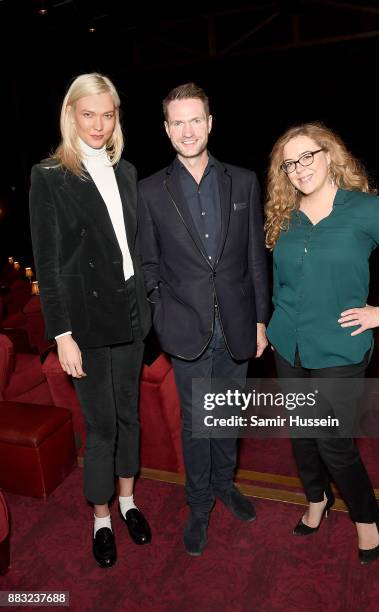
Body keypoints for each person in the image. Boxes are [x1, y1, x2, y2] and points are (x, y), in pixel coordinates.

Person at [264, 122, 379, 564]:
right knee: (302, 435)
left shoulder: (366, 209)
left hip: (340, 348)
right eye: (290, 163)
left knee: (332, 442)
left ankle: (365, 518)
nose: (299, 169)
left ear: (329, 155)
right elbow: (278, 280)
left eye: (307, 157)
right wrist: (267, 323)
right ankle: (317, 499)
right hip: (289, 343)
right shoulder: (285, 214)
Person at [137, 83, 270, 556]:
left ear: (210, 123)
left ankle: (224, 486)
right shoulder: (150, 190)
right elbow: (148, 265)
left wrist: (260, 322)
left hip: (237, 323)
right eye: (178, 122)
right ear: (167, 130)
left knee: (228, 415)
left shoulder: (243, 181)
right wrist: (160, 313)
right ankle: (198, 505)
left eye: (197, 119)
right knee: (197, 423)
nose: (188, 130)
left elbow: (256, 257)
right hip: (185, 328)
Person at [29, 73, 152, 569]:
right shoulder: (49, 175)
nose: (99, 124)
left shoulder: (127, 171)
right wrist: (62, 335)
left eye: (108, 114)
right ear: (71, 114)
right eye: (89, 114)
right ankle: (101, 517)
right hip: (85, 323)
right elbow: (49, 263)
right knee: (101, 427)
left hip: (131, 314)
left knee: (130, 417)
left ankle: (127, 501)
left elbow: (133, 249)